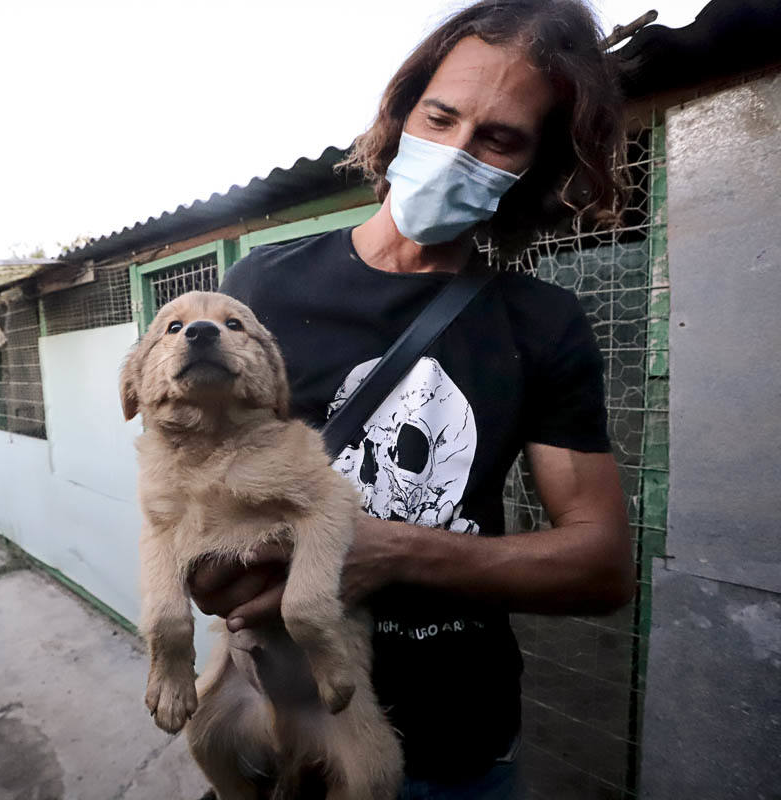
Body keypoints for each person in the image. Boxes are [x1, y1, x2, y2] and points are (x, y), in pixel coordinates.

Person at [193, 1, 636, 796]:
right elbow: (204, 487)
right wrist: (211, 562)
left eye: (499, 139)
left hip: (456, 746)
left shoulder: (542, 322)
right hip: (283, 722)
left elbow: (601, 567)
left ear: (531, 169)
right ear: (402, 115)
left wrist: (393, 550)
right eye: (441, 116)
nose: (455, 150)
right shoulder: (262, 284)